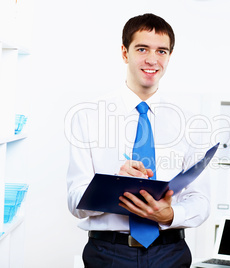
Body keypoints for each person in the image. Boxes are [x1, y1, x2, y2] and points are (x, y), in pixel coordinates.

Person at [66, 13, 210, 267]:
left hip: (171, 252)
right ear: (125, 53)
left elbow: (201, 200)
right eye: (142, 49)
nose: (152, 60)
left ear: (169, 56)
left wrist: (171, 214)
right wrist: (114, 184)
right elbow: (75, 202)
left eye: (162, 51)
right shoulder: (89, 116)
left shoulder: (190, 123)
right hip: (108, 254)